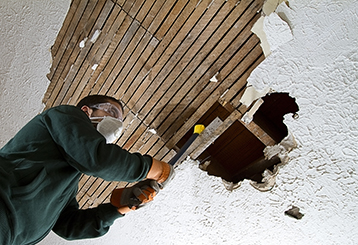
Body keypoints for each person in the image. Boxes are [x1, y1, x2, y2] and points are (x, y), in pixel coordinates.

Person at [0, 95, 174, 245]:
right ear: (86, 110)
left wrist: (119, 208)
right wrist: (157, 170)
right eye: (112, 112)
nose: (117, 124)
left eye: (120, 122)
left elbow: (68, 226)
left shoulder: (68, 180)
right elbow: (99, 160)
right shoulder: (64, 114)